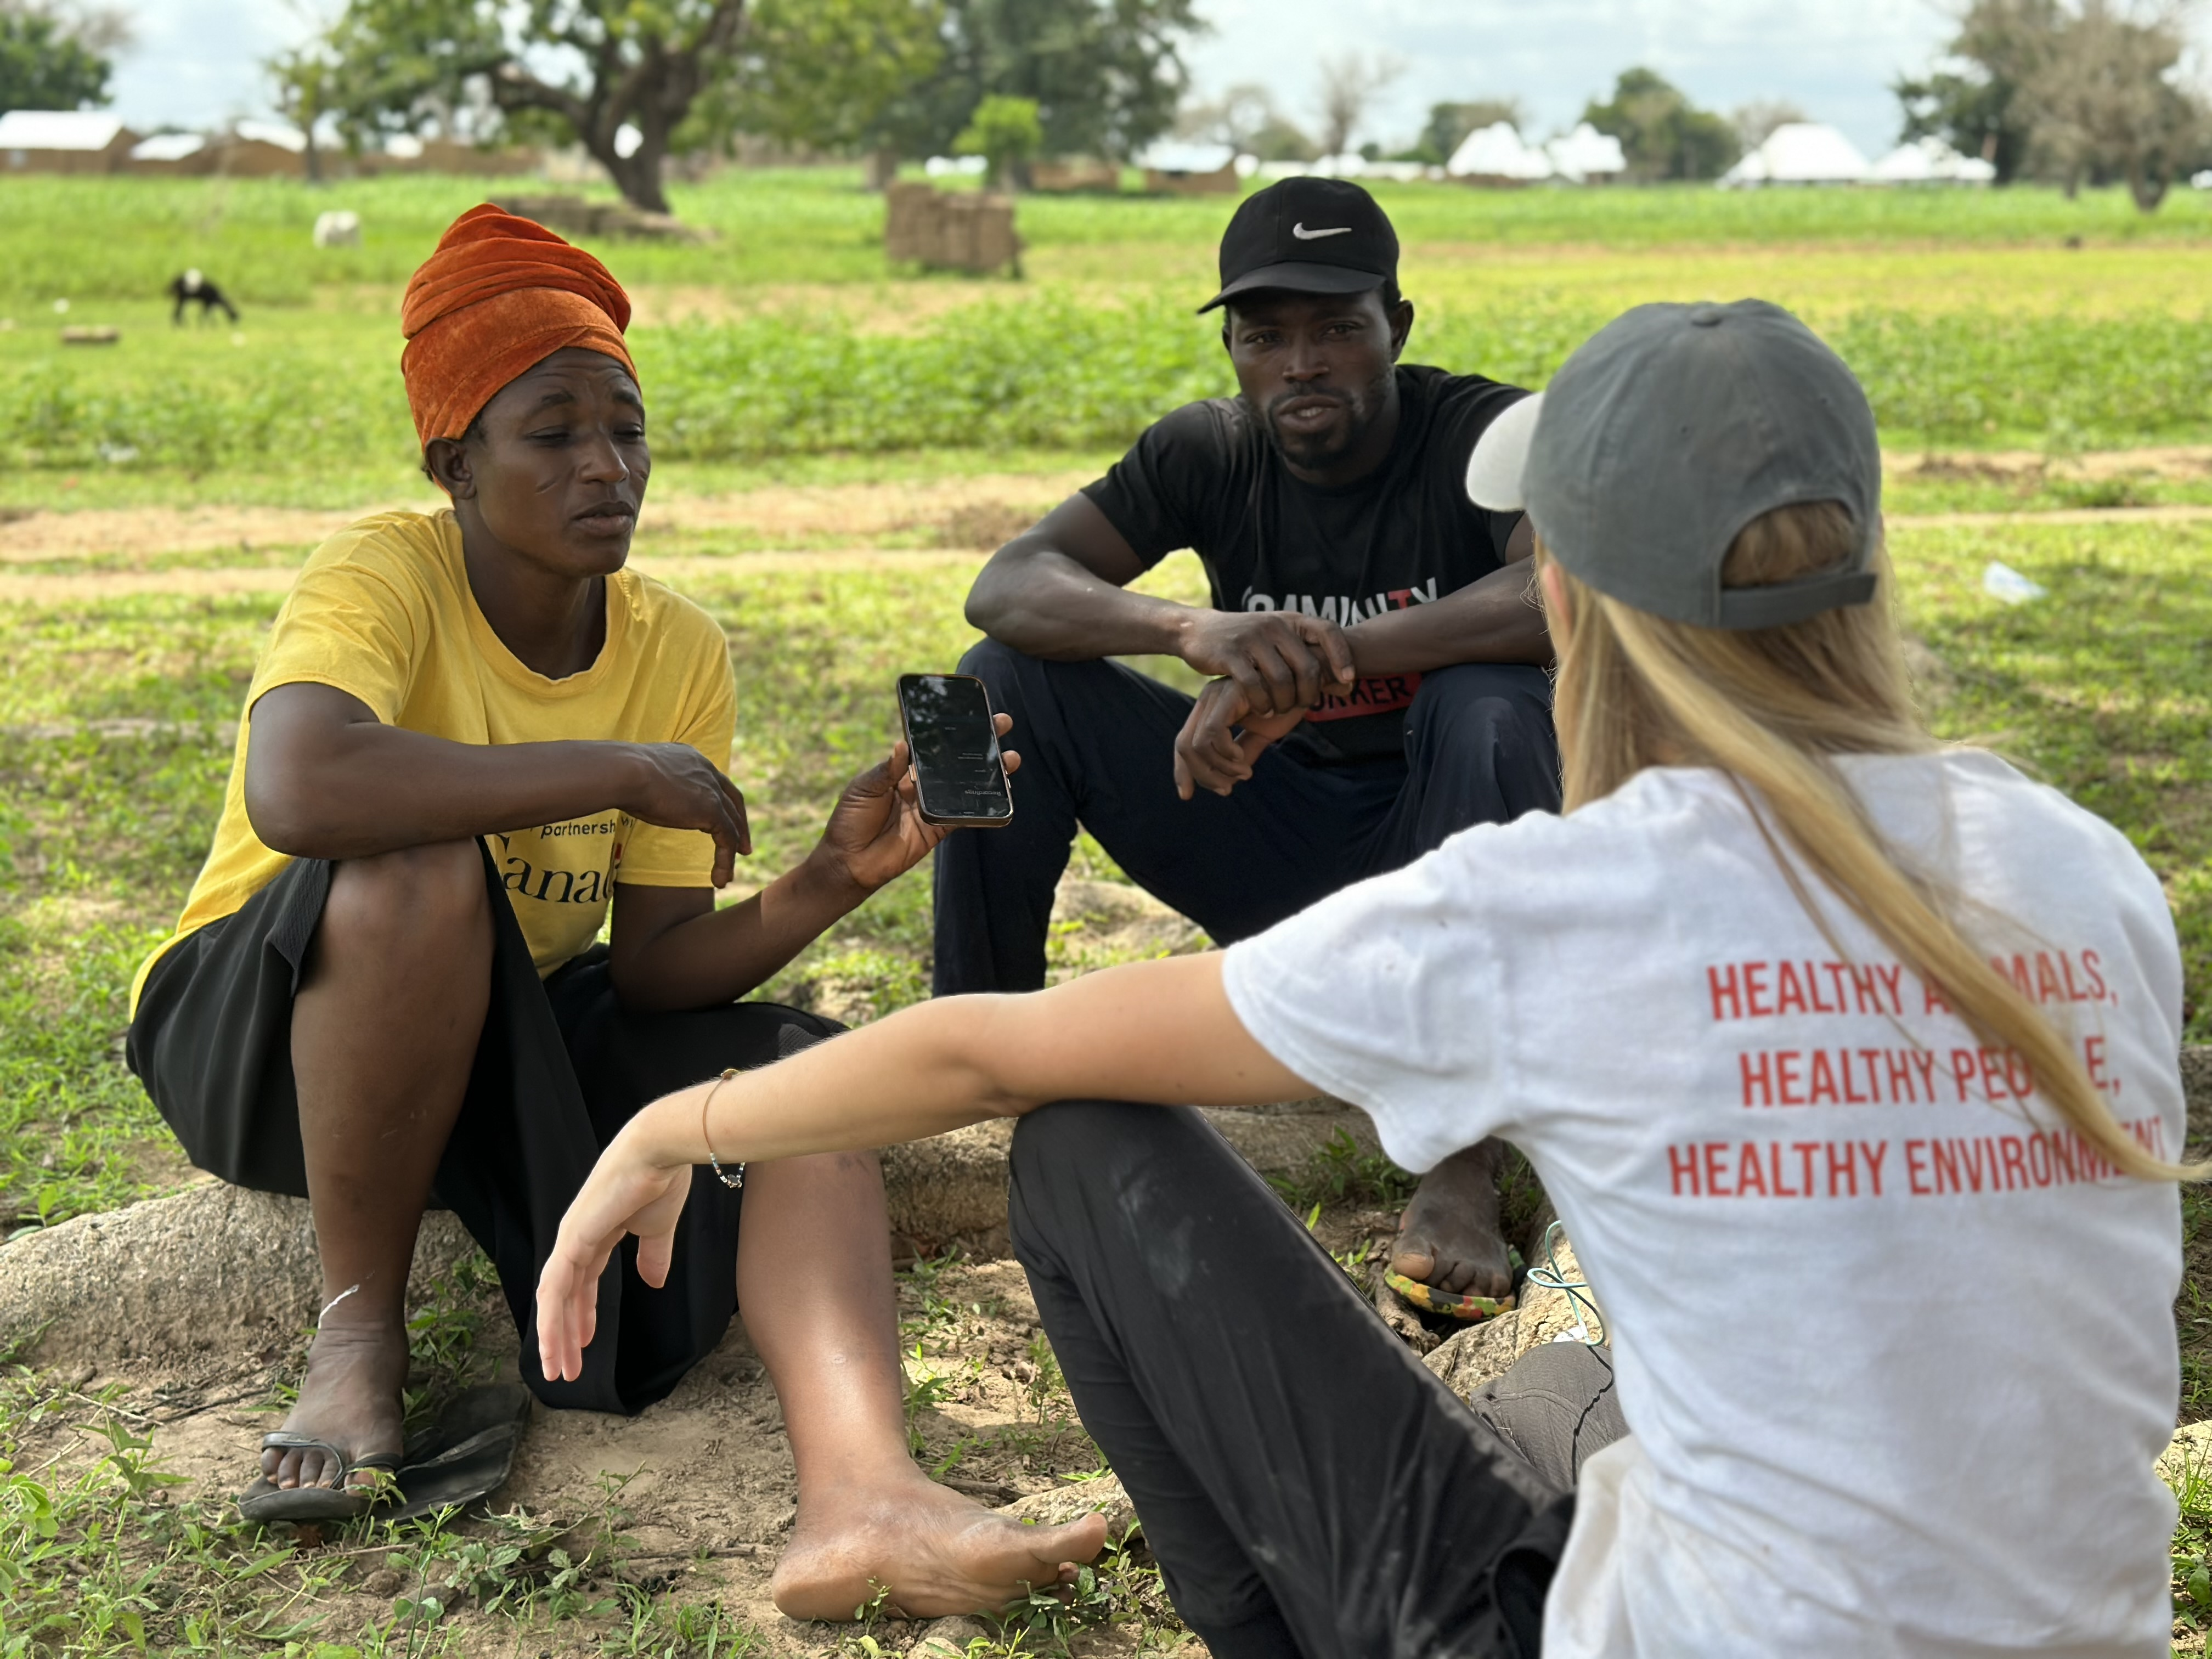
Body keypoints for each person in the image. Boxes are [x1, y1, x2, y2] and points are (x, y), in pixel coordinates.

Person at [540, 299, 2192, 1656]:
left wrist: (680, 1123)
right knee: (1565, 1393)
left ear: (1563, 591)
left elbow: (990, 1058)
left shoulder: (1572, 906)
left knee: (1085, 1145)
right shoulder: (2081, 868)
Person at [125, 205, 1104, 1617]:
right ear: (453, 460)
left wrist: (835, 876)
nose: (608, 467)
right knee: (417, 858)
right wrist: (617, 768)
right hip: (268, 1022)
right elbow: (302, 789)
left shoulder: (672, 645)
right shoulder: (383, 573)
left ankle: (864, 1497)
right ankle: (358, 1339)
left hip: (493, 1029)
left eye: (627, 430)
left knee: (788, 1073)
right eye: (553, 432)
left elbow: (651, 976)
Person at [941, 177, 1559, 1311]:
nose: (1302, 363)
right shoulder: (1209, 454)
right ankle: (973, 1043)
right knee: (999, 685)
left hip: (1448, 858)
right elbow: (1007, 584)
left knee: (1490, 701)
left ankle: (1462, 1157)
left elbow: (1566, 596)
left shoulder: (1479, 435)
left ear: (1398, 329)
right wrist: (1197, 630)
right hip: (1278, 855)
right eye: (1265, 335)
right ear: (1233, 346)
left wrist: (1327, 657)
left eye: (1337, 329)